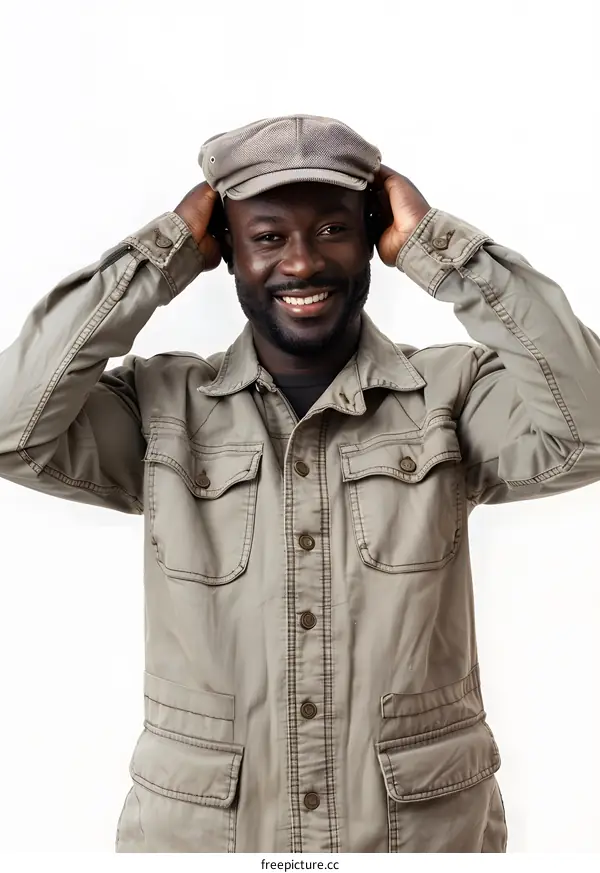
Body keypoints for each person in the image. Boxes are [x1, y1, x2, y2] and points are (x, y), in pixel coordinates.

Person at [1, 114, 599, 854]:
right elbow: (10, 429)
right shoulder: (162, 410)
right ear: (225, 251)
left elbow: (590, 424)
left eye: (331, 230)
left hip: (414, 840)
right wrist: (159, 256)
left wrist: (439, 248)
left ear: (373, 239)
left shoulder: (450, 395)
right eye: (269, 235)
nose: (302, 262)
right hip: (209, 841)